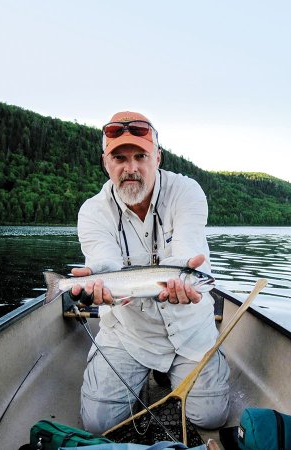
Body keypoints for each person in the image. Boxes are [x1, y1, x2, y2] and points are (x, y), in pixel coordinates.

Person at [69, 111, 230, 434]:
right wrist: (94, 283)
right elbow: (104, 265)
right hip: (130, 334)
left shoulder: (187, 192)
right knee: (98, 424)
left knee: (211, 417)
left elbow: (185, 252)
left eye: (141, 156)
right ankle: (145, 375)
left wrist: (185, 278)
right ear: (106, 162)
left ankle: (180, 370)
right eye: (120, 157)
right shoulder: (92, 211)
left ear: (158, 157)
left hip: (189, 331)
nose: (131, 168)